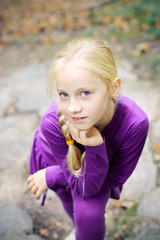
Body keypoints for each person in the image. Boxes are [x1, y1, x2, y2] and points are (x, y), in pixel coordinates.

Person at [27, 38, 149, 240]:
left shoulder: (135, 124)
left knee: (88, 214)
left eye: (85, 93)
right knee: (69, 198)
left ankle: (83, 227)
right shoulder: (51, 123)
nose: (73, 108)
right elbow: (76, 184)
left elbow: (113, 178)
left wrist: (94, 148)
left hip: (98, 173)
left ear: (114, 88)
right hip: (54, 155)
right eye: (64, 94)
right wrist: (60, 175)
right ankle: (78, 227)